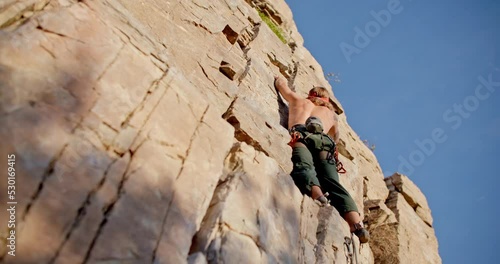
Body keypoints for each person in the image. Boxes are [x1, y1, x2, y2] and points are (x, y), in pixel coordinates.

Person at [274, 76, 369, 243]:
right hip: (325, 143)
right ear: (326, 100)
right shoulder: (331, 115)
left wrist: (279, 78)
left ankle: (318, 196)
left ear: (311, 95)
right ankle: (357, 224)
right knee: (332, 181)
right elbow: (336, 137)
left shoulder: (299, 100)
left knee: (304, 166)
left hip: (301, 134)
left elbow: (282, 87)